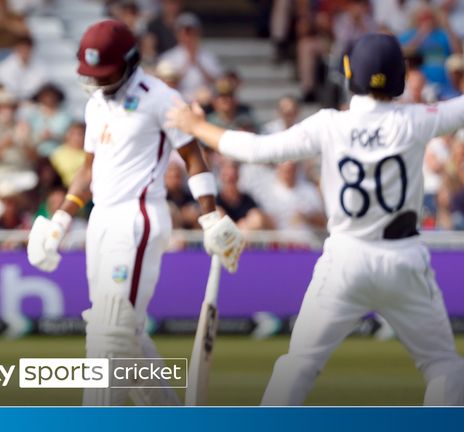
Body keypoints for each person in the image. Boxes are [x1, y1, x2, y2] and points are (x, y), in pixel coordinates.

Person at [166, 33, 464, 405]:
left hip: (345, 260)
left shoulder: (328, 125)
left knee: (299, 365)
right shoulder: (418, 119)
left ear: (348, 73)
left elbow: (257, 149)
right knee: (444, 367)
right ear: (398, 76)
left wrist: (196, 126)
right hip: (403, 259)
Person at [26, 20, 244, 406]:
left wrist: (210, 217)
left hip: (138, 218)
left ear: (129, 62)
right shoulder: (96, 103)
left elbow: (194, 158)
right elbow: (88, 170)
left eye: (106, 73)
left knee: (110, 332)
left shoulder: (161, 98)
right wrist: (60, 220)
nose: (99, 81)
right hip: (101, 220)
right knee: (122, 329)